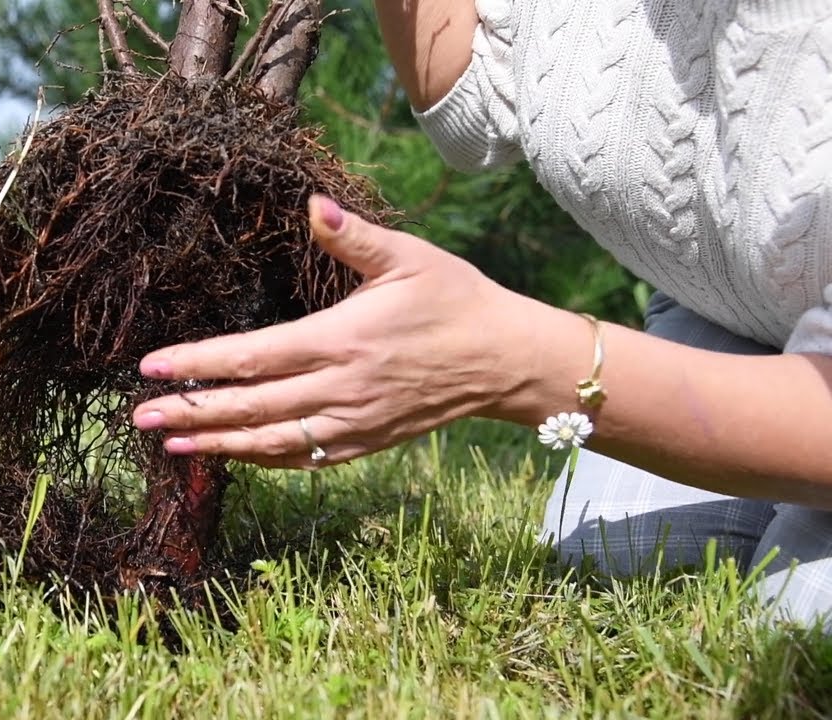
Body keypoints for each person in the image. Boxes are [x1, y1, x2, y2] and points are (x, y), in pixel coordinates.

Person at [129, 0, 832, 624]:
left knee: (792, 633)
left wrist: (516, 361)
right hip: (730, 297)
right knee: (621, 569)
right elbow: (469, 100)